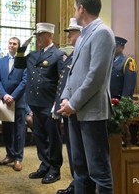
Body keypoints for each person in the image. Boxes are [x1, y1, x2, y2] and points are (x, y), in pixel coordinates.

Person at [58, 0, 115, 194]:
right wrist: (66, 97)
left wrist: (73, 103)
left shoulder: (103, 33)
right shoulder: (83, 35)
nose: (75, 11)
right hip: (75, 109)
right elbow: (73, 72)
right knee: (80, 169)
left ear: (81, 9)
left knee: (98, 171)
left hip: (91, 112)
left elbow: (95, 77)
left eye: (75, 7)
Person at [15, 22, 64, 184]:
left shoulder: (58, 55)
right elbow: (18, 64)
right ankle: (45, 164)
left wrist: (57, 105)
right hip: (35, 103)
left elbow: (62, 82)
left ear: (50, 36)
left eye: (40, 35)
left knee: (53, 137)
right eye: (36, 36)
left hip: (49, 104)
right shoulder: (33, 55)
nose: (38, 39)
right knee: (40, 136)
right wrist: (22, 48)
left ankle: (55, 168)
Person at [54, 18, 81, 194]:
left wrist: (72, 102)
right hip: (68, 107)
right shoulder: (71, 56)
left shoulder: (85, 54)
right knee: (72, 150)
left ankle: (80, 185)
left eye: (72, 31)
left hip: (80, 108)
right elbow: (63, 82)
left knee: (80, 153)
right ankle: (76, 183)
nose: (69, 35)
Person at [0, 37, 27, 171]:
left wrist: (13, 96)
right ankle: (10, 154)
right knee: (7, 130)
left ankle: (18, 158)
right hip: (5, 101)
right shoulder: (1, 61)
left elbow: (25, 81)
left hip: (18, 101)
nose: (11, 46)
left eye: (14, 44)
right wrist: (5, 95)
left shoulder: (23, 62)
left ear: (18, 47)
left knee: (19, 131)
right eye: (10, 43)